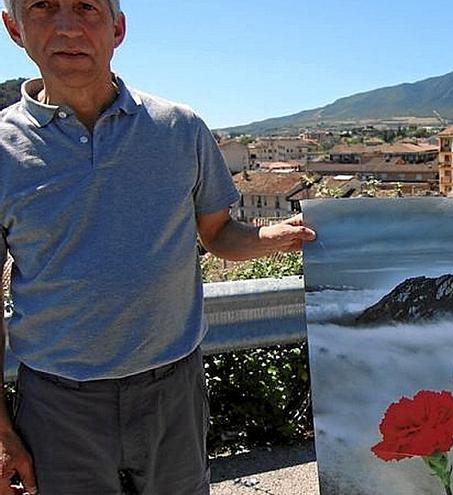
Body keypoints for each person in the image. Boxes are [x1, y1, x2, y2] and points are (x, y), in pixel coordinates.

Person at [0, 1, 316, 493]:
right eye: (42, 6)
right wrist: (1, 433)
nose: (67, 26)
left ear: (118, 27)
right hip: (57, 405)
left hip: (173, 392)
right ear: (13, 27)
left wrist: (275, 236)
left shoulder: (180, 129)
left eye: (87, 7)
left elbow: (217, 234)